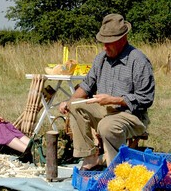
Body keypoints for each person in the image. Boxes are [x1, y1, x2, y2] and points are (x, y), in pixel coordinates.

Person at [59, 13, 154, 170]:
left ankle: (116, 170)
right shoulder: (101, 58)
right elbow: (86, 86)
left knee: (106, 125)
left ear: (123, 39)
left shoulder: (138, 61)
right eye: (103, 42)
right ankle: (90, 157)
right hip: (104, 110)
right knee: (74, 104)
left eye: (109, 43)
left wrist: (113, 100)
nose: (105, 46)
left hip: (131, 115)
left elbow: (146, 99)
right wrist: (67, 102)